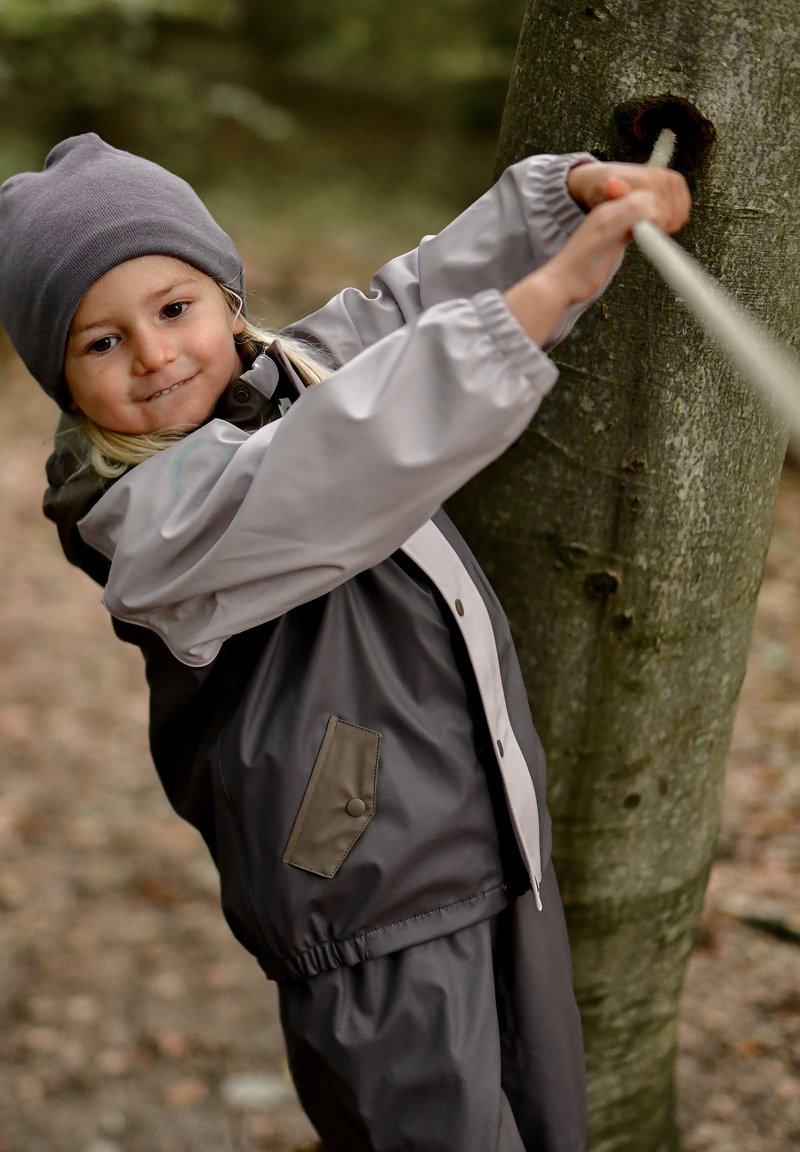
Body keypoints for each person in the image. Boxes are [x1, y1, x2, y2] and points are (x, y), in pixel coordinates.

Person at [0, 133, 689, 1152]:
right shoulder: (146, 517)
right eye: (100, 343)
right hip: (364, 897)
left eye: (173, 308)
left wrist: (557, 200)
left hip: (472, 828)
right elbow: (342, 456)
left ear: (227, 302)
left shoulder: (281, 369)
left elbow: (404, 306)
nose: (152, 356)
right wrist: (541, 300)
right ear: (63, 383)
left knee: (541, 1117)